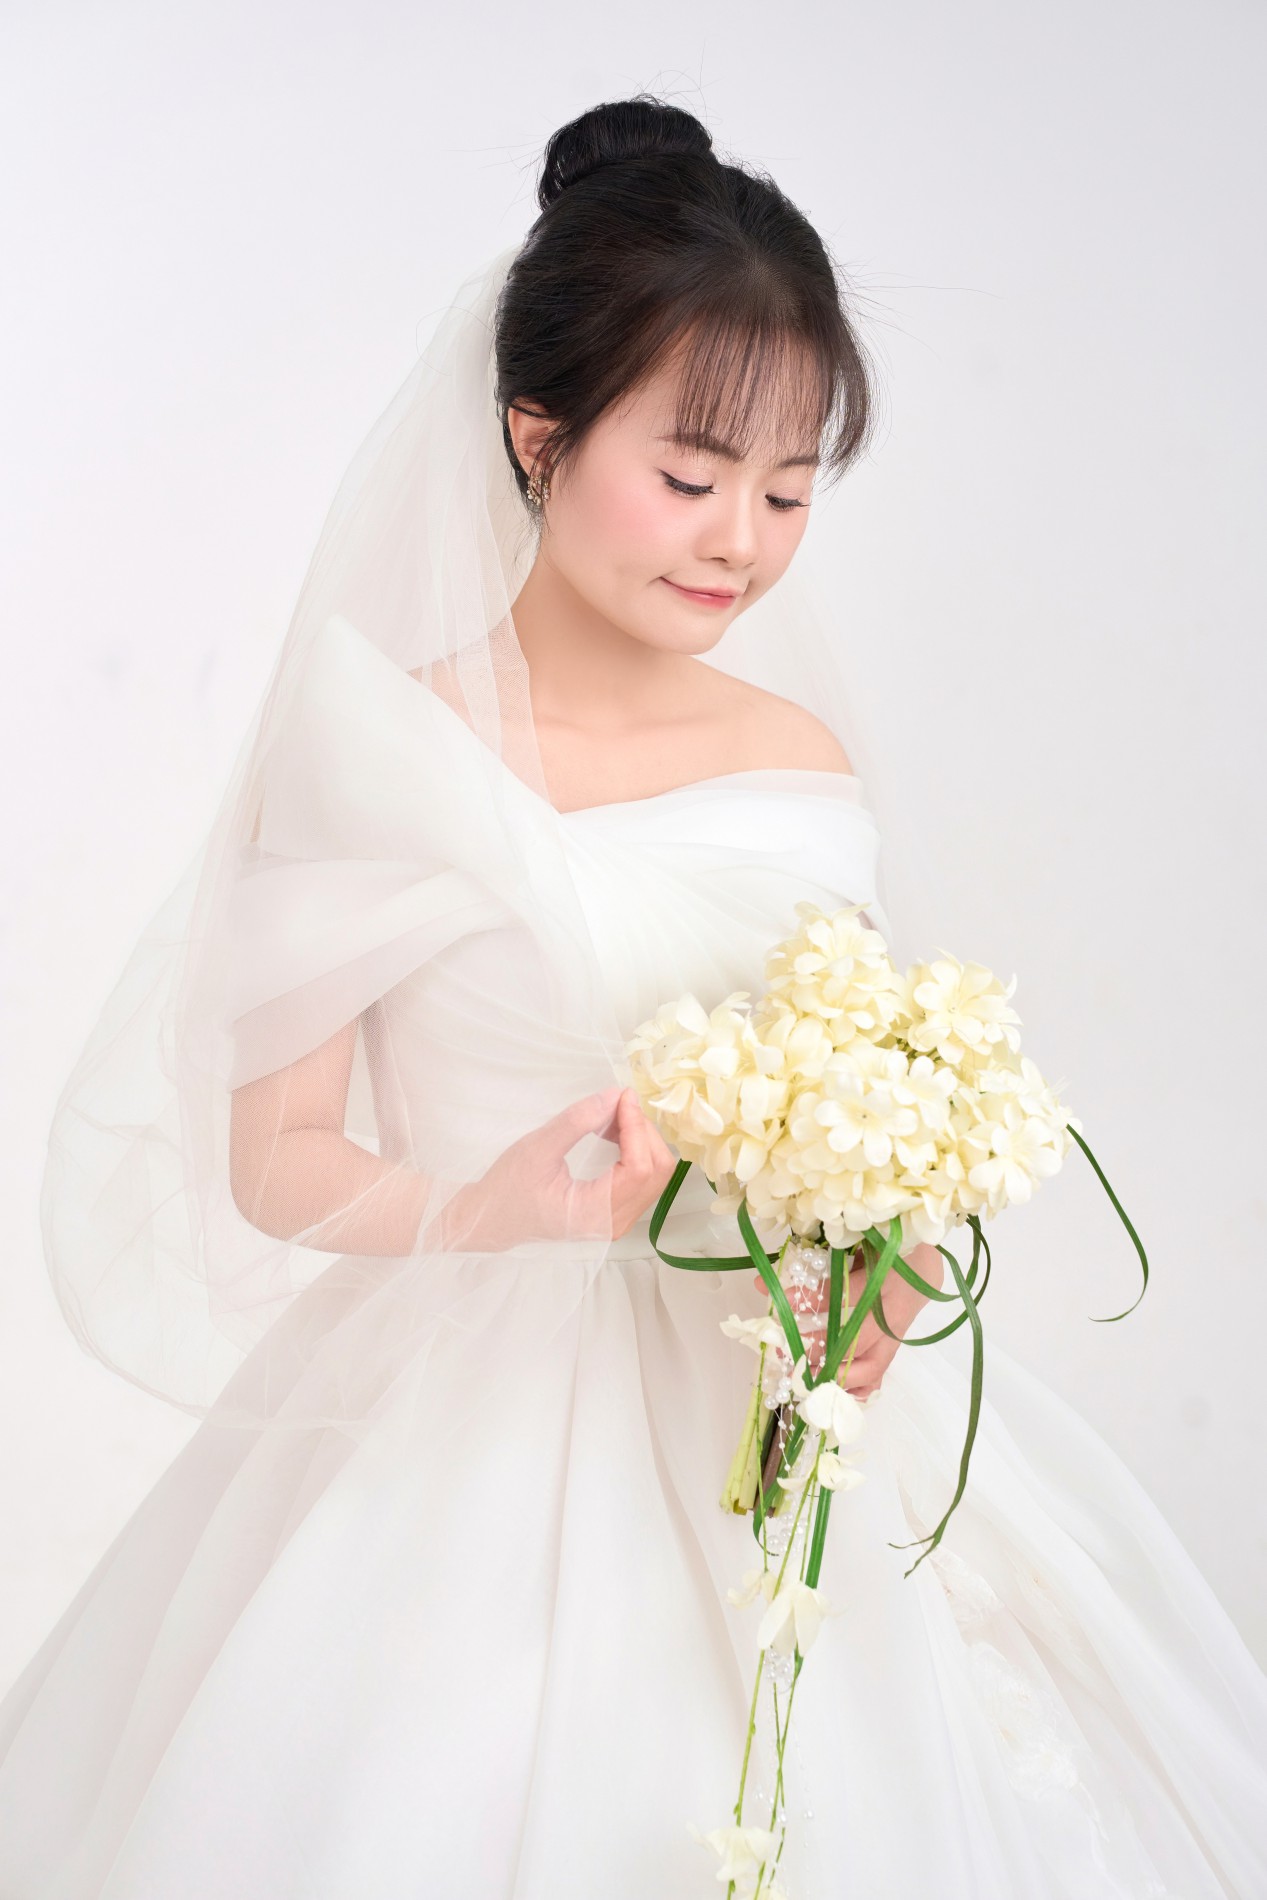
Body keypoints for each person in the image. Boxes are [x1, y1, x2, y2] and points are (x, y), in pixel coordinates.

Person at [2, 94, 1264, 1900]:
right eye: (690, 476)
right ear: (539, 434)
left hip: (784, 1392)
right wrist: (485, 1206)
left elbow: (861, 1083)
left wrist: (889, 1260)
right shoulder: (383, 752)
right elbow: (273, 1155)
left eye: (789, 490)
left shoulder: (798, 760)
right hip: (465, 1417)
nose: (739, 540)